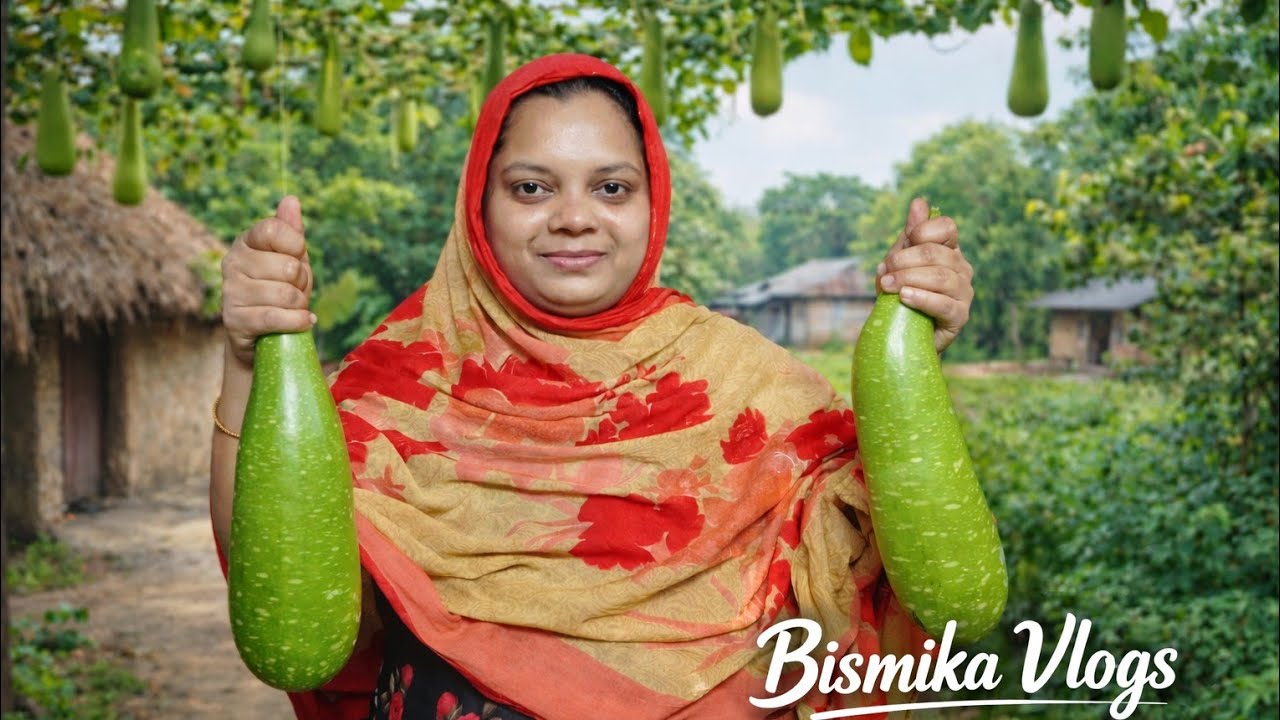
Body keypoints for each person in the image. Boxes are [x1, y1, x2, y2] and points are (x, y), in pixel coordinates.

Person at [210, 54, 975, 720]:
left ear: (652, 202)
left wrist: (913, 354)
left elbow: (909, 575)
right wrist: (248, 363)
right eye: (531, 188)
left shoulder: (753, 386)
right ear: (479, 205)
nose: (575, 218)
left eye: (611, 187)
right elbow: (289, 595)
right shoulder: (394, 386)